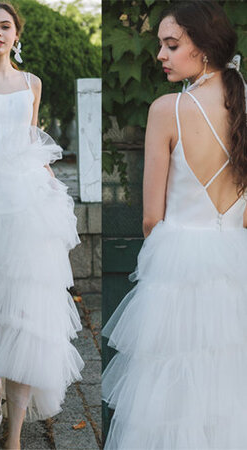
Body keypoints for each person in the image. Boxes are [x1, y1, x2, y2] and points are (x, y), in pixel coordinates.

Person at [102, 1, 247, 449]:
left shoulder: (168, 109)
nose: (160, 56)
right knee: (227, 387)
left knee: (169, 395)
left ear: (203, 48)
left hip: (180, 266)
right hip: (235, 261)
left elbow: (151, 217)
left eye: (171, 45)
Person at [0, 2, 84, 449]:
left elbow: (31, 141)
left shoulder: (32, 83)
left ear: (16, 33)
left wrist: (52, 188)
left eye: (5, 26)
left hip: (26, 200)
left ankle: (14, 439)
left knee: (27, 310)